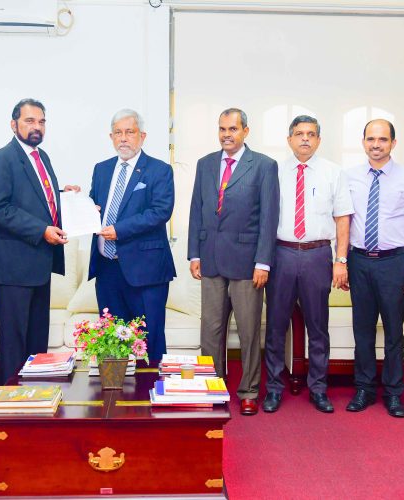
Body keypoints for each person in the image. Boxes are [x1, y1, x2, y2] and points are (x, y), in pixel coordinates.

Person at [188, 108, 279, 416]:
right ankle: (213, 386)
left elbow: (269, 217)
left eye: (233, 129)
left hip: (247, 263)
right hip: (211, 259)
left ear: (245, 131)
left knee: (249, 331)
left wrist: (263, 262)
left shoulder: (264, 166)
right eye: (222, 129)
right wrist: (195, 253)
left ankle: (249, 391)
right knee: (211, 330)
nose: (227, 134)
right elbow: (197, 210)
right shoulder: (205, 164)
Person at [0, 99, 80, 383]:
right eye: (29, 121)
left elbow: (36, 199)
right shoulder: (3, 158)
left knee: (37, 338)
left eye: (41, 121)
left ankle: (35, 395)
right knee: (14, 341)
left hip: (39, 263)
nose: (36, 126)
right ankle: (10, 397)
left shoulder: (41, 157)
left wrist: (65, 197)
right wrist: (41, 230)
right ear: (13, 125)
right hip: (13, 266)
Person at [263, 116, 354, 414]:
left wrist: (341, 260)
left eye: (311, 134)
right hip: (281, 254)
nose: (305, 138)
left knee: (318, 327)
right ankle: (273, 388)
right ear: (289, 139)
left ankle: (318, 388)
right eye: (299, 134)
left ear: (319, 140)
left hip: (318, 255)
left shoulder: (333, 172)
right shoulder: (274, 171)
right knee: (275, 327)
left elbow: (343, 219)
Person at [345, 119, 404, 418]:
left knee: (393, 331)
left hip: (394, 263)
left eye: (382, 139)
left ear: (393, 143)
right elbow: (342, 222)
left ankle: (394, 393)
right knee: (362, 329)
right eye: (371, 139)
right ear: (363, 142)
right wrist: (340, 261)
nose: (376, 144)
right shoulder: (349, 177)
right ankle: (364, 389)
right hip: (359, 261)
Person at [88, 109, 176, 362]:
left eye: (129, 132)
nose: (123, 138)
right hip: (107, 269)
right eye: (118, 133)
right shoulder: (102, 169)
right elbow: (96, 205)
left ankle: (152, 387)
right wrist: (81, 202)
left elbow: (160, 211)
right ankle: (116, 388)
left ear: (142, 136)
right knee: (111, 344)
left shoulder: (159, 170)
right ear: (111, 137)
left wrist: (119, 230)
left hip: (145, 271)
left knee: (150, 342)